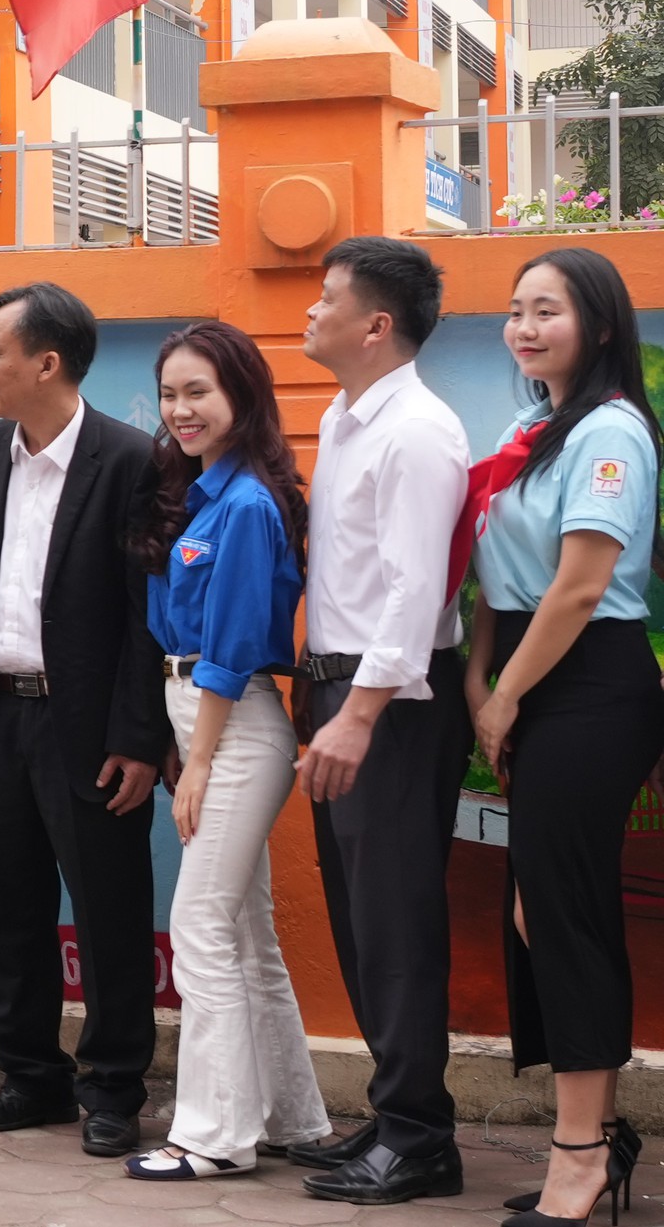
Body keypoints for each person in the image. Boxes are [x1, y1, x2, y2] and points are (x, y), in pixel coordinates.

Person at [0, 282, 167, 1158]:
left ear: (48, 362)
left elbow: (148, 613)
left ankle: (113, 1087)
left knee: (109, 911)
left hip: (90, 725)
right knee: (11, 903)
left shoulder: (130, 459)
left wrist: (139, 736)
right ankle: (30, 1076)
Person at [465, 248, 664, 1227]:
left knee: (563, 911)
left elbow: (581, 585)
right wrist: (481, 674)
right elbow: (497, 568)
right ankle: (599, 1135)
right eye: (516, 310)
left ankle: (580, 1153)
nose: (524, 327)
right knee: (537, 911)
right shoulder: (533, 428)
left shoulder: (610, 433)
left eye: (547, 310)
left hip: (587, 684)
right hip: (531, 676)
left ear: (600, 323)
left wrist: (502, 697)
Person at [288, 236, 472, 1207]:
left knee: (395, 919)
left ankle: (420, 1139)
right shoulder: (346, 415)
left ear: (376, 324)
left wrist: (357, 715)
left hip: (390, 705)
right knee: (362, 917)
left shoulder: (417, 431)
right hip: (339, 690)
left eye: (327, 298)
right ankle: (398, 1109)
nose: (310, 311)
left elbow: (413, 590)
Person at [122, 321, 329, 1180]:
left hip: (235, 725)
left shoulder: (245, 504)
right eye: (170, 394)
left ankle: (212, 1136)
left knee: (200, 925)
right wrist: (187, 745)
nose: (181, 410)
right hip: (203, 721)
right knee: (243, 929)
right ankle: (293, 1118)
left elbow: (233, 646)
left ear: (242, 393)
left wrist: (199, 758)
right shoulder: (203, 492)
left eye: (198, 391)